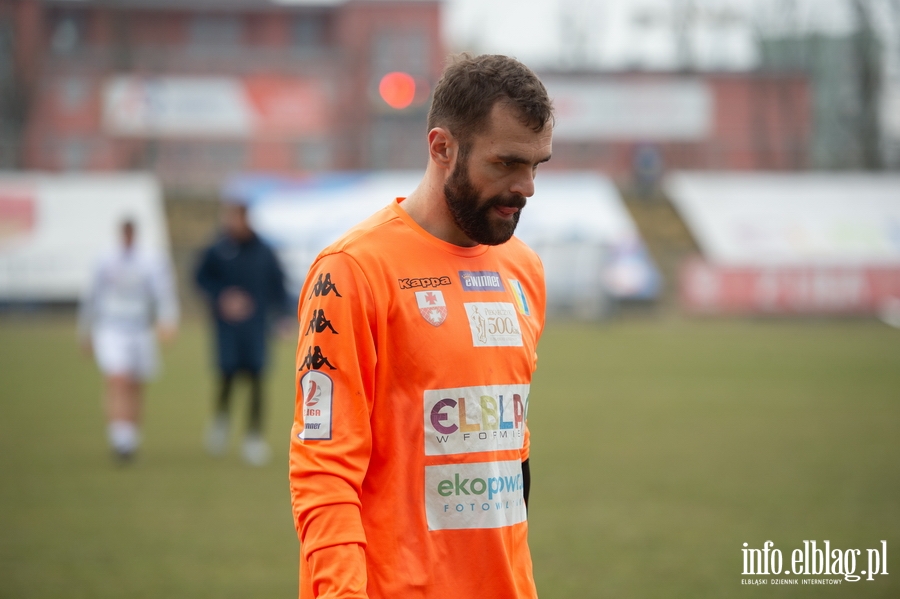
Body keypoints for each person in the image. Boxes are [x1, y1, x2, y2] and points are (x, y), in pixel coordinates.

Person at [289, 53, 554, 599]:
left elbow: (513, 453)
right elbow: (323, 470)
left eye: (536, 165)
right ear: (441, 148)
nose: (526, 186)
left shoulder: (524, 270)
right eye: (506, 163)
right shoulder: (352, 272)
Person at [195, 200, 289, 466]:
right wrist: (222, 298)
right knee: (227, 375)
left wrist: (281, 316)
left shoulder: (264, 251)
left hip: (256, 328)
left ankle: (254, 436)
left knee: (257, 380)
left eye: (236, 218)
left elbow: (278, 285)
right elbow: (201, 278)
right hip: (227, 328)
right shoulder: (218, 249)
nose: (231, 223)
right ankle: (221, 423)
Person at [79, 219, 179, 463]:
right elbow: (92, 295)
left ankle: (130, 437)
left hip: (141, 328)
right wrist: (84, 330)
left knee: (135, 384)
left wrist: (168, 321)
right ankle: (118, 437)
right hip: (112, 328)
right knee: (117, 379)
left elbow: (164, 292)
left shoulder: (150, 261)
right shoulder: (105, 260)